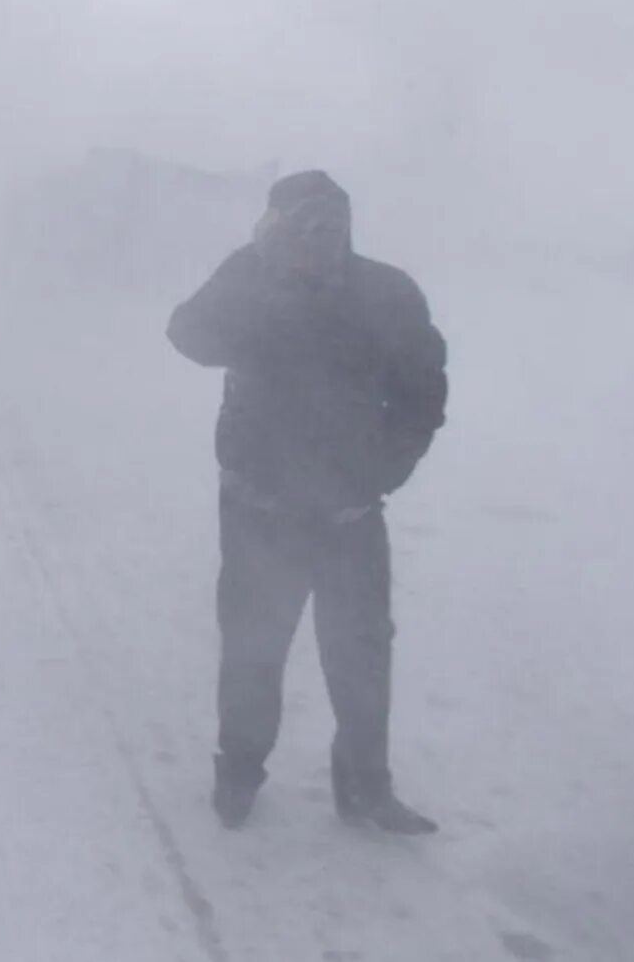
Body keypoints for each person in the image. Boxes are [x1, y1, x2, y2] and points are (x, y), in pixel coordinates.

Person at [166, 171, 447, 834]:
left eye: (334, 221)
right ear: (276, 227)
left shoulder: (387, 292)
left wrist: (386, 469)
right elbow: (188, 336)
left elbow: (424, 393)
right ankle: (238, 772)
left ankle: (365, 788)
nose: (323, 235)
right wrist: (255, 271)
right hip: (259, 509)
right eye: (305, 222)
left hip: (351, 513)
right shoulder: (254, 281)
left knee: (362, 653)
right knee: (253, 649)